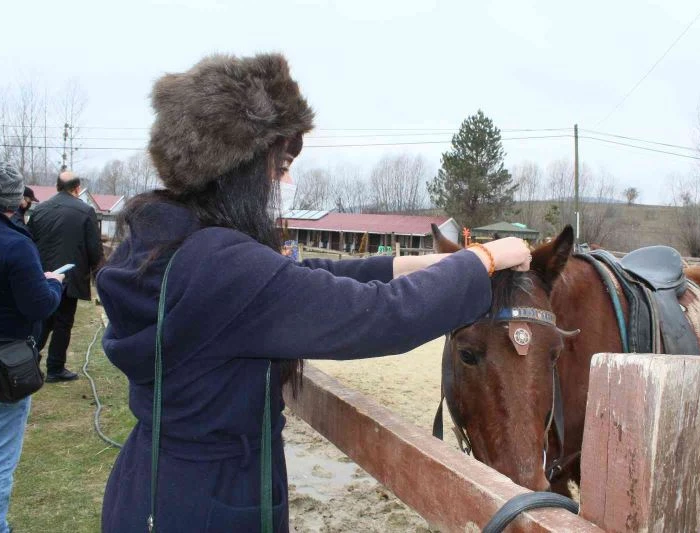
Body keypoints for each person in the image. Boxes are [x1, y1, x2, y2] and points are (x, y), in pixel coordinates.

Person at [96, 53, 532, 533]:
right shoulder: (222, 266)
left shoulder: (171, 245)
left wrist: (418, 263)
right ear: (237, 165)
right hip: (210, 504)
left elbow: (297, 279)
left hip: (153, 484)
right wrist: (482, 260)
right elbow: (379, 316)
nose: (285, 181)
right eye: (280, 164)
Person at [0, 158, 64, 533]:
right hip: (2, 366)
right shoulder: (14, 244)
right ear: (14, 200)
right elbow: (38, 305)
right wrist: (52, 283)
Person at [27, 171, 103, 382]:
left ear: (57, 187)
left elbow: (29, 239)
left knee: (43, 320)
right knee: (63, 323)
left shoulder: (40, 210)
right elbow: (94, 248)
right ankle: (55, 368)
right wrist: (99, 274)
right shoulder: (85, 211)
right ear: (77, 188)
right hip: (68, 276)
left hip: (41, 274)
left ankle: (28, 362)